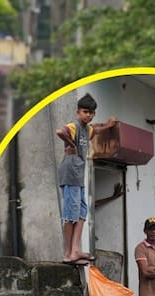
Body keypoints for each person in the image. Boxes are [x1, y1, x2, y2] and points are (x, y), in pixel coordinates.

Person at [55, 92, 118, 264]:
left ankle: (76, 249)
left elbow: (95, 130)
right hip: (70, 174)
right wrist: (71, 143)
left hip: (78, 175)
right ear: (78, 112)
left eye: (91, 112)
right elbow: (60, 131)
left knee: (82, 212)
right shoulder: (74, 126)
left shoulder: (87, 129)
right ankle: (68, 253)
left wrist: (108, 125)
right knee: (70, 214)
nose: (88, 115)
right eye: (85, 112)